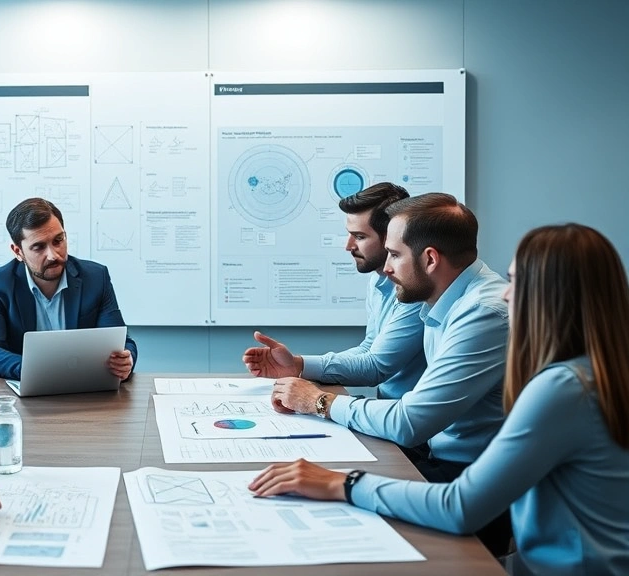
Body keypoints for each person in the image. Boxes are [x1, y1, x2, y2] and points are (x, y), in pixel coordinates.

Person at [250, 223, 629, 576]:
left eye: (517, 281)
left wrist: (342, 483)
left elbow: (458, 507)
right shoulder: (596, 373)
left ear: (550, 296)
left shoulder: (564, 387)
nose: (506, 292)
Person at [267, 193, 512, 554]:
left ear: (430, 259)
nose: (386, 267)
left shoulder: (483, 313)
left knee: (322, 521)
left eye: (395, 255)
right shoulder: (443, 298)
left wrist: (317, 401)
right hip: (442, 460)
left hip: (473, 482)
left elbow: (410, 420)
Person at [242, 182, 426, 400]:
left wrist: (300, 366)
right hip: (388, 410)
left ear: (390, 236)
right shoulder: (378, 279)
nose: (348, 246)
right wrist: (296, 365)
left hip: (408, 421)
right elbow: (369, 347)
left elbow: (376, 366)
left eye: (359, 237)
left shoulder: (415, 290)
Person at [0, 197, 137, 381]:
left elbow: (121, 341)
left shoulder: (96, 277)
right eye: (39, 247)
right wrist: (39, 370)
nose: (52, 255)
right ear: (18, 252)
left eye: (58, 241)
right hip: (27, 395)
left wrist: (126, 359)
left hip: (85, 392)